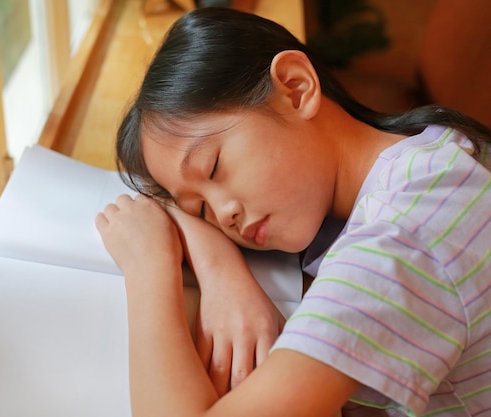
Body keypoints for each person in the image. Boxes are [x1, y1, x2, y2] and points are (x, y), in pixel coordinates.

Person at [94, 6, 491, 417]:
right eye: (200, 209)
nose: (224, 215)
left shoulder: (405, 237)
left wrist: (149, 270)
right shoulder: (419, 159)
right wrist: (219, 266)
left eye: (213, 167)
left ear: (296, 87)